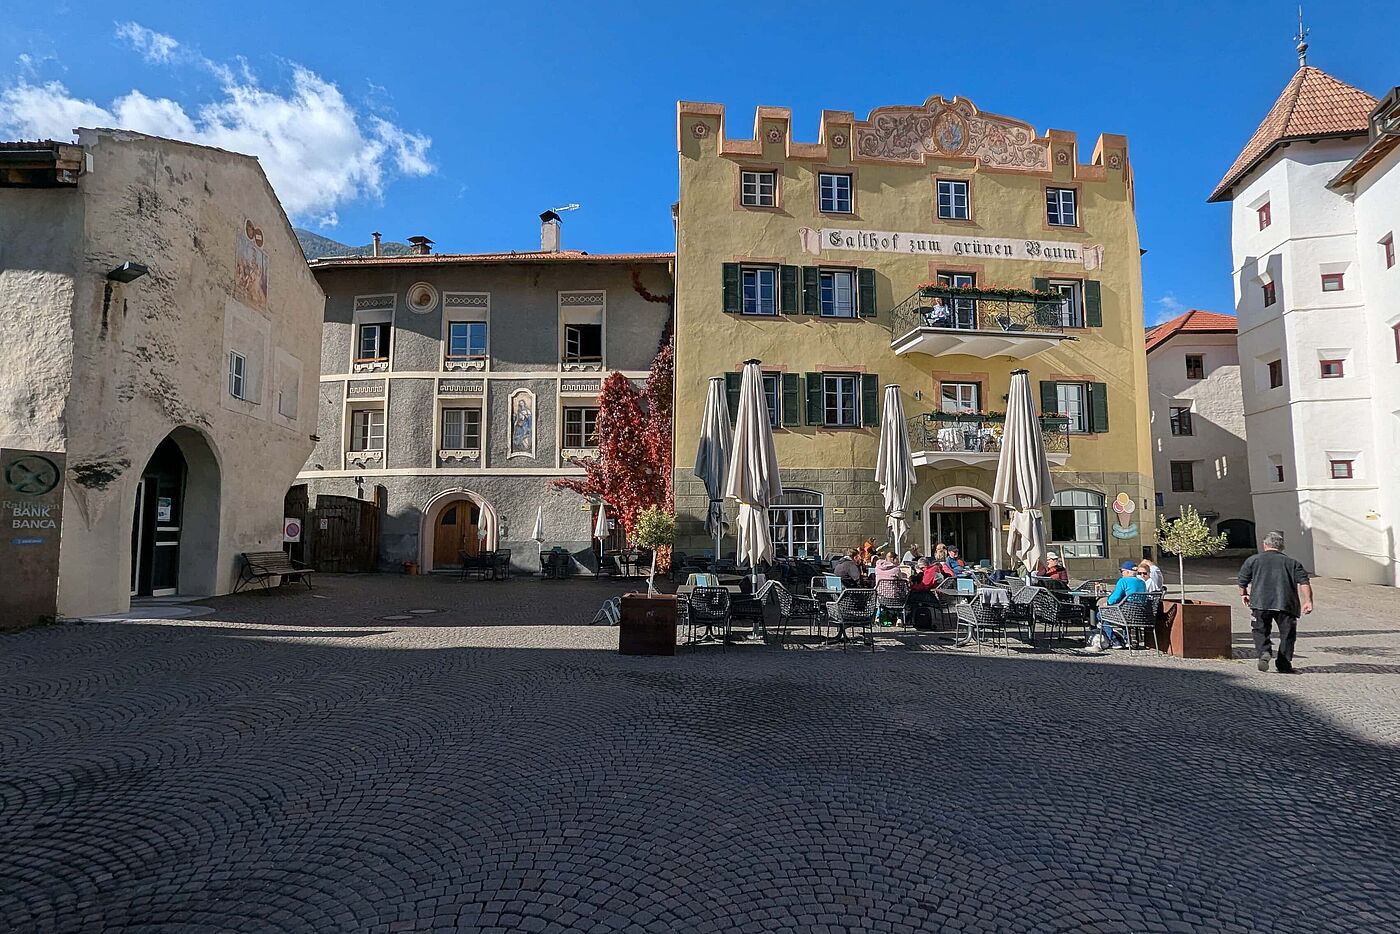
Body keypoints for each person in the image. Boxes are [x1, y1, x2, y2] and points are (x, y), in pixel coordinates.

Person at [1238, 531, 1313, 674]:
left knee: (1260, 630)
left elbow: (1242, 580)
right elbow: (1304, 582)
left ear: (1265, 545)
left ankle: (1264, 652)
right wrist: (1308, 601)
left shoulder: (1253, 560)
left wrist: (1244, 594)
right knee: (1288, 634)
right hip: (1286, 603)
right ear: (1282, 547)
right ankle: (1284, 664)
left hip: (1260, 602)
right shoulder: (1292, 563)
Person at [1096, 561, 1147, 649]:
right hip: (1139, 614)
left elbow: (1116, 597)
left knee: (1101, 614)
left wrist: (1107, 603)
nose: (1121, 573)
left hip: (1125, 613)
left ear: (1127, 571)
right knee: (1124, 615)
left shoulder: (1123, 581)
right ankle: (1128, 640)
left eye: (1122, 571)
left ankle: (1114, 640)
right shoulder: (1142, 582)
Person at [906, 557, 945, 629]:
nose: (921, 570)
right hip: (934, 593)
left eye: (922, 568)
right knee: (911, 595)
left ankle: (906, 619)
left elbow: (925, 586)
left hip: (932, 596)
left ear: (926, 566)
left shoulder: (930, 571)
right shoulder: (934, 569)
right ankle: (910, 619)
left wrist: (912, 587)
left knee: (910, 596)